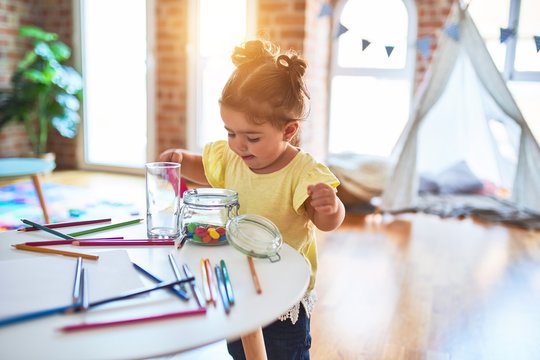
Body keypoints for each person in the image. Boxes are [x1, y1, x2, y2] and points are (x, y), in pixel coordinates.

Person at [159, 39, 345, 359]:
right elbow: (199, 165)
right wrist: (177, 158)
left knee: (283, 354)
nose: (239, 145)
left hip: (283, 293)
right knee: (241, 353)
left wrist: (330, 207)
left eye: (252, 137)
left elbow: (327, 222)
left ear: (288, 131)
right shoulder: (232, 159)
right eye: (231, 132)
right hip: (240, 282)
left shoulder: (304, 172)